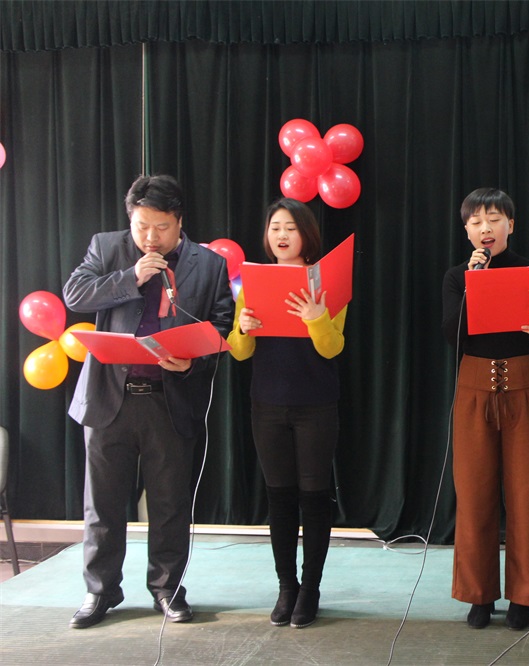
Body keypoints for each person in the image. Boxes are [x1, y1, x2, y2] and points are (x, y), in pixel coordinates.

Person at [63, 174, 233, 628]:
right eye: (141, 227)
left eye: (160, 227)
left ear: (179, 221)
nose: (150, 237)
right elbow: (75, 294)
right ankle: (100, 591)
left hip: (168, 399)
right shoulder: (107, 248)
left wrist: (192, 361)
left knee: (170, 504)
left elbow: (222, 325)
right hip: (109, 399)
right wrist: (130, 277)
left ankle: (167, 590)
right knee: (102, 505)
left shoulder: (209, 264)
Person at [441, 187, 529, 630]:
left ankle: (524, 596)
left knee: (528, 494)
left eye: (494, 219)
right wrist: (474, 283)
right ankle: (479, 595)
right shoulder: (458, 276)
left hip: (524, 384)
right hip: (474, 386)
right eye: (475, 221)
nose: (485, 228)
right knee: (474, 494)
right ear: (466, 230)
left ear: (511, 224)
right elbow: (452, 334)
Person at [227, 198, 347, 629]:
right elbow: (238, 351)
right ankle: (286, 587)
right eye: (275, 227)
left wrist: (317, 318)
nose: (281, 235)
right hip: (267, 404)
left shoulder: (327, 281)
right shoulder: (251, 281)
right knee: (279, 497)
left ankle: (310, 589)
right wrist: (243, 330)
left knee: (314, 497)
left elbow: (333, 348)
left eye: (291, 228)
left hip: (316, 405)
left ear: (306, 235)